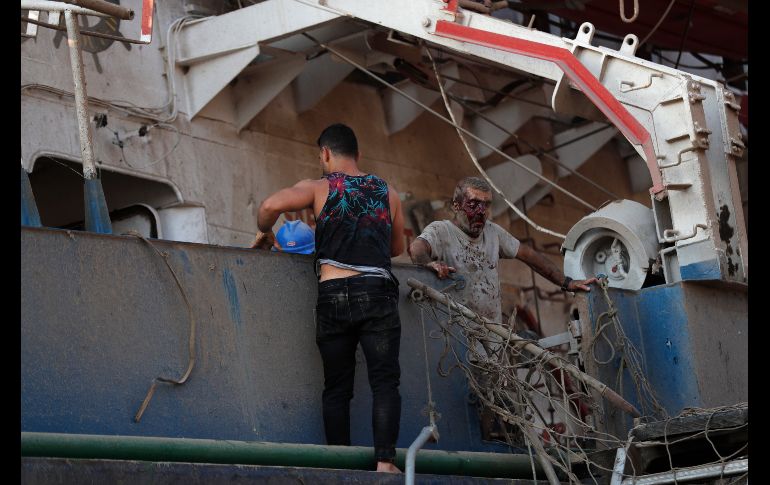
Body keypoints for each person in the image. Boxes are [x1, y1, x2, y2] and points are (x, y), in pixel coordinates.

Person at [251, 123, 406, 473]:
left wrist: (264, 232)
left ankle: (340, 466)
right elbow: (398, 248)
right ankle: (385, 463)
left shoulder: (319, 187)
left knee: (336, 387)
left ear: (325, 154)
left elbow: (269, 205)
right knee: (384, 381)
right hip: (376, 293)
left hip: (333, 293)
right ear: (358, 154)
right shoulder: (388, 193)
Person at [409, 176, 596, 325]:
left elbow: (529, 255)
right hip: (456, 332)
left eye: (486, 205)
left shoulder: (493, 232)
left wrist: (567, 283)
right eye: (473, 204)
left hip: (492, 334)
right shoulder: (441, 230)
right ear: (456, 205)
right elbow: (417, 247)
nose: (481, 211)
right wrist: (429, 263)